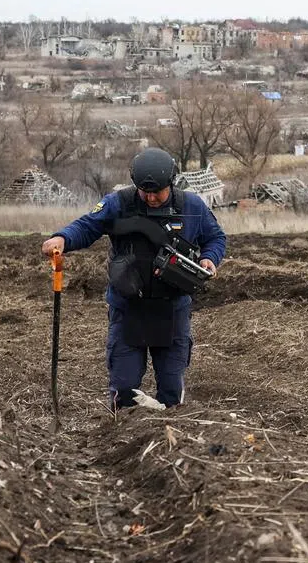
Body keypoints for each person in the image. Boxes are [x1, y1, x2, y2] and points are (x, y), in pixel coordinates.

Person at [41, 147, 226, 411]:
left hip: (172, 309)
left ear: (170, 183)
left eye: (157, 192)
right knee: (124, 390)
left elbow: (216, 238)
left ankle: (170, 442)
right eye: (144, 191)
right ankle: (122, 438)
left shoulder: (191, 206)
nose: (150, 197)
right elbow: (87, 226)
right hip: (128, 308)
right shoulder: (119, 203)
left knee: (171, 391)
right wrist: (62, 238)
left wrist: (210, 258)